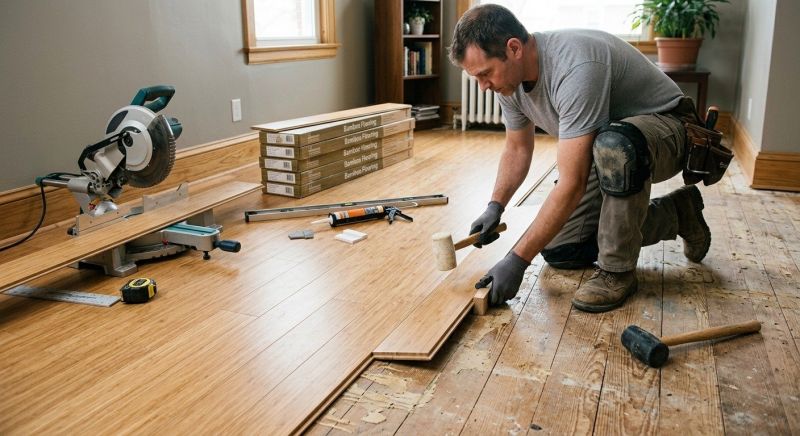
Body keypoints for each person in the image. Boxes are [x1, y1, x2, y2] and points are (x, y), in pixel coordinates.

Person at [449, 4, 712, 312]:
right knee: (564, 250)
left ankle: (617, 271)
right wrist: (496, 205)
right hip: (607, 149)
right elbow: (518, 149)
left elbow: (572, 184)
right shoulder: (510, 84)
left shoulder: (575, 66)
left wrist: (517, 260)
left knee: (616, 145)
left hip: (669, 130)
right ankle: (679, 214)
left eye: (485, 74)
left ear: (514, 48)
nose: (483, 86)